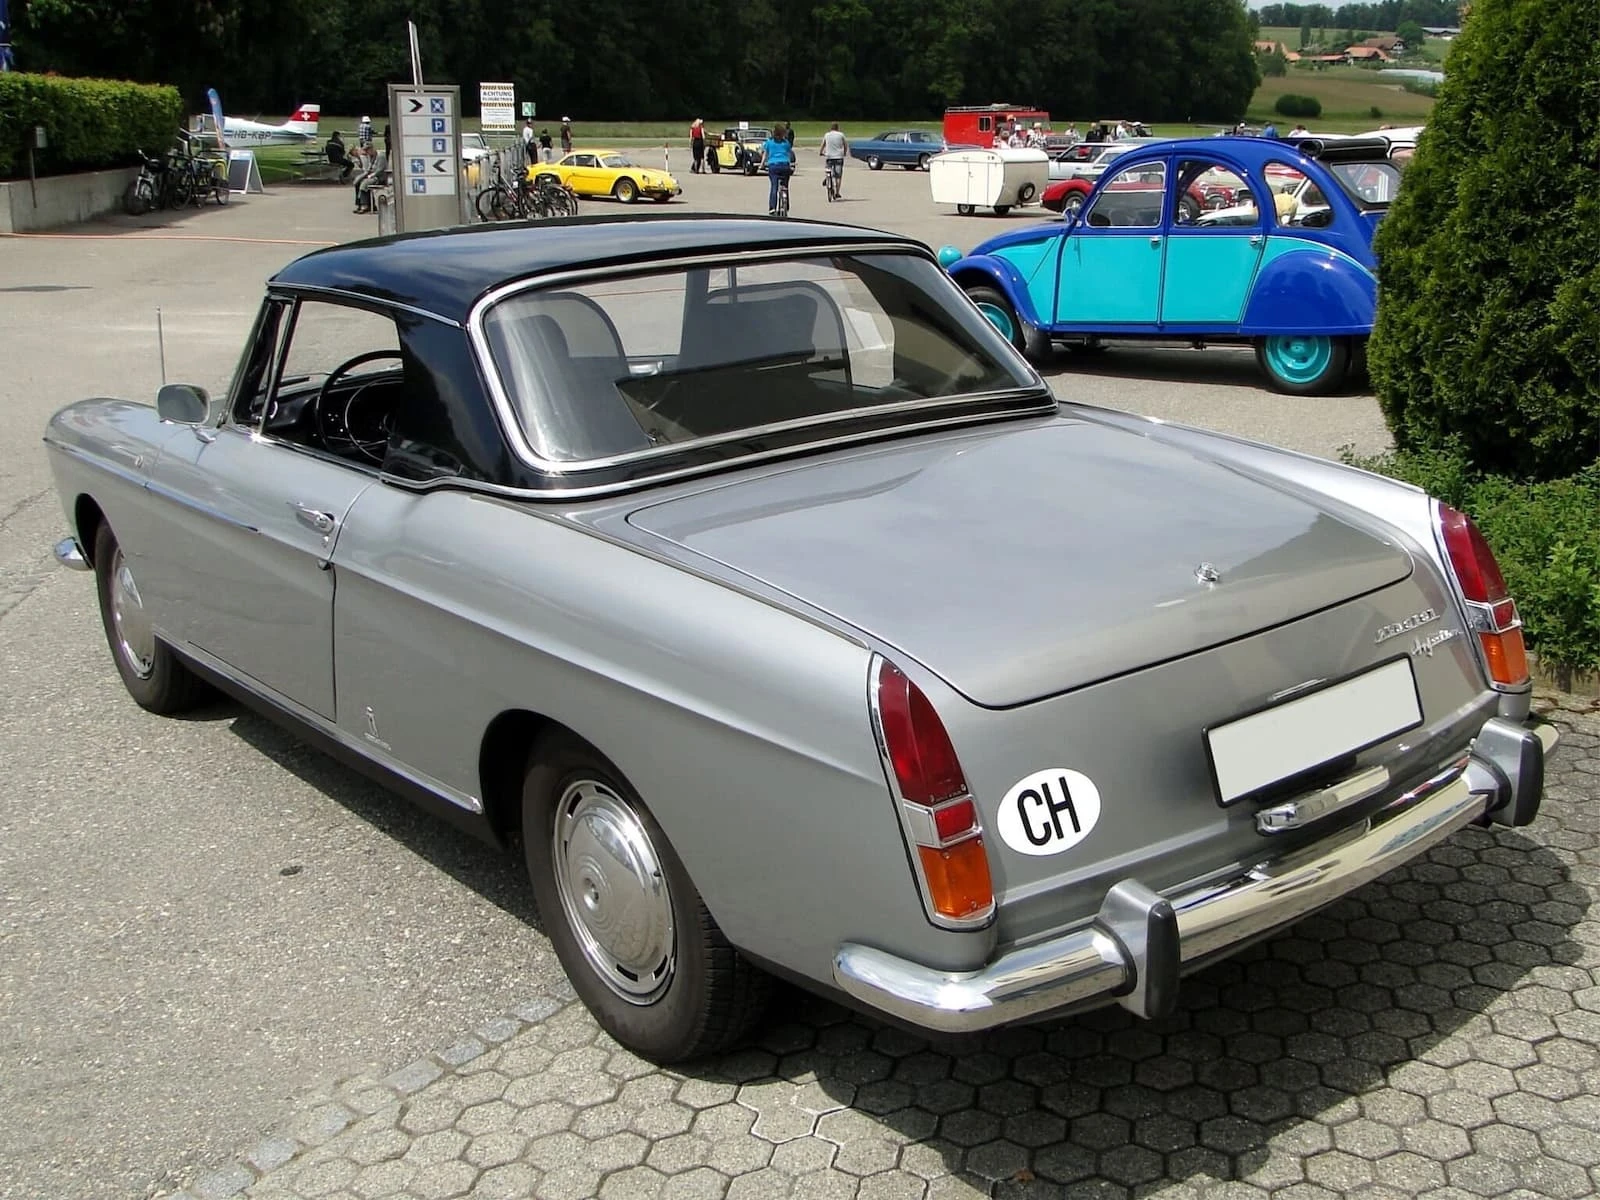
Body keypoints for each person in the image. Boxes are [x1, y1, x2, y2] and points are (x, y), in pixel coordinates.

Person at [761, 122, 794, 213]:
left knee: (774, 186)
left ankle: (772, 207)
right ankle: (785, 205)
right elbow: (789, 153)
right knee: (785, 186)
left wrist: (762, 165)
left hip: (773, 165)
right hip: (785, 165)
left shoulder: (769, 142)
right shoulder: (786, 143)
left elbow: (765, 154)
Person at [819, 122, 847, 196]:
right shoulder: (841, 135)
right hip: (839, 157)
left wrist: (821, 152)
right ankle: (837, 192)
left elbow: (823, 145)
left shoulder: (827, 135)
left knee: (828, 169)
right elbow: (845, 145)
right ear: (838, 128)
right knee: (838, 176)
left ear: (831, 128)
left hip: (829, 157)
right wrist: (844, 153)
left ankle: (827, 178)